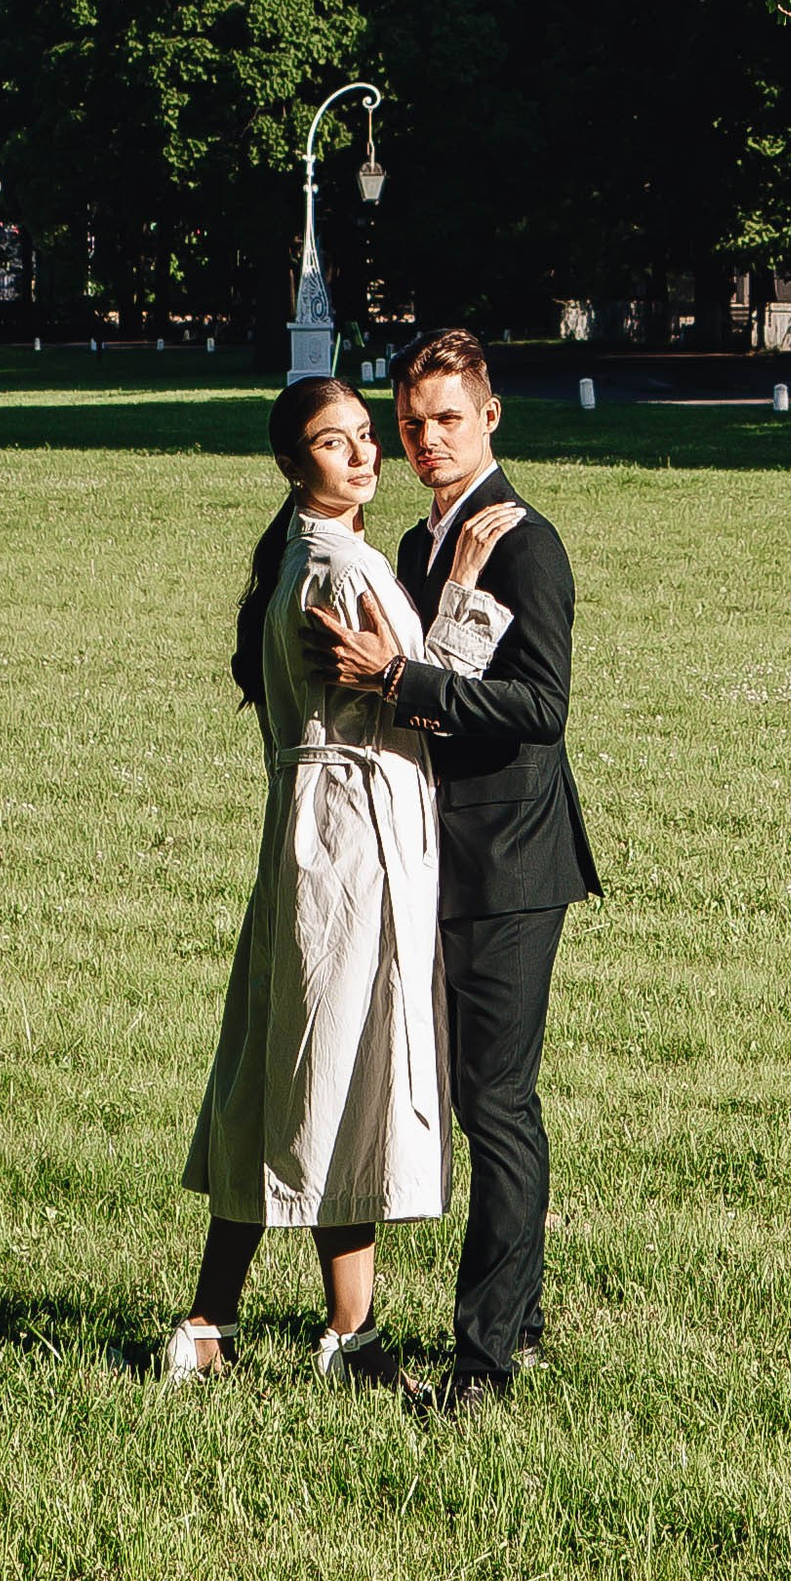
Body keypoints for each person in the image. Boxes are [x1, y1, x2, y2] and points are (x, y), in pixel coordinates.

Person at [164, 375, 518, 1389]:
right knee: (332, 1069)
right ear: (294, 463)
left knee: (291, 1070)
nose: (362, 456)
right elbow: (429, 692)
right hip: (352, 836)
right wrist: (470, 593)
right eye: (335, 442)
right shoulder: (335, 569)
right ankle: (331, 1338)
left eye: (367, 436)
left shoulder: (310, 555)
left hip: (323, 831)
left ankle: (241, 1326)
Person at [306, 328, 599, 1411]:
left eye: (447, 420)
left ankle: (484, 1367)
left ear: (490, 418)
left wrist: (403, 682)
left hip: (511, 861)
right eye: (412, 423)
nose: (426, 440)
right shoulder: (429, 543)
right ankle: (512, 1320)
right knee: (478, 1102)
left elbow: (541, 708)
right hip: (438, 852)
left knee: (497, 1104)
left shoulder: (523, 543)